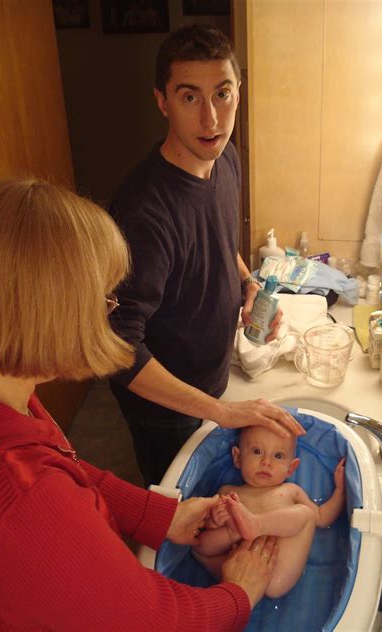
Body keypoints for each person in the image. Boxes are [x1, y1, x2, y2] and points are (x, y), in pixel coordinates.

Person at [0, 177, 281, 630]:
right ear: (50, 310)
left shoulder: (5, 401)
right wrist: (239, 593)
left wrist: (161, 516)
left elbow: (69, 468)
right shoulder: (22, 502)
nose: (109, 312)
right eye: (102, 299)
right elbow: (149, 621)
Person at [108, 24, 301, 487]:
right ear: (162, 102)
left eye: (223, 94)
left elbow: (219, 242)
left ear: (239, 92)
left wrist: (248, 287)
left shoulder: (226, 158)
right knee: (184, 512)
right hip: (165, 410)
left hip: (211, 383)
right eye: (190, 97)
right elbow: (116, 348)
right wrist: (220, 411)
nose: (211, 119)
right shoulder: (143, 214)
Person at [193, 426, 346, 598]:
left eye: (278, 456)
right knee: (199, 546)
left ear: (291, 468)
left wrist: (340, 491)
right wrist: (215, 521)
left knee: (306, 514)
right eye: (257, 451)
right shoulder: (227, 491)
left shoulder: (290, 490)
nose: (266, 461)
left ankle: (256, 525)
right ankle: (235, 530)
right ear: (237, 458)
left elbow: (322, 518)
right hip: (233, 571)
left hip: (274, 575)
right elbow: (205, 527)